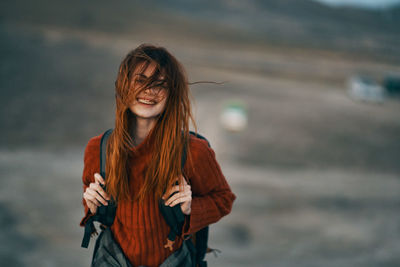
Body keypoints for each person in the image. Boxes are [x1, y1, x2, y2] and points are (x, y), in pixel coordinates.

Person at [80, 44, 236, 267]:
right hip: (114, 260)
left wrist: (190, 207)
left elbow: (224, 199)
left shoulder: (193, 151)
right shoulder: (99, 148)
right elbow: (92, 203)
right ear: (124, 86)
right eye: (140, 80)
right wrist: (91, 204)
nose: (149, 91)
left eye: (160, 84)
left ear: (171, 93)